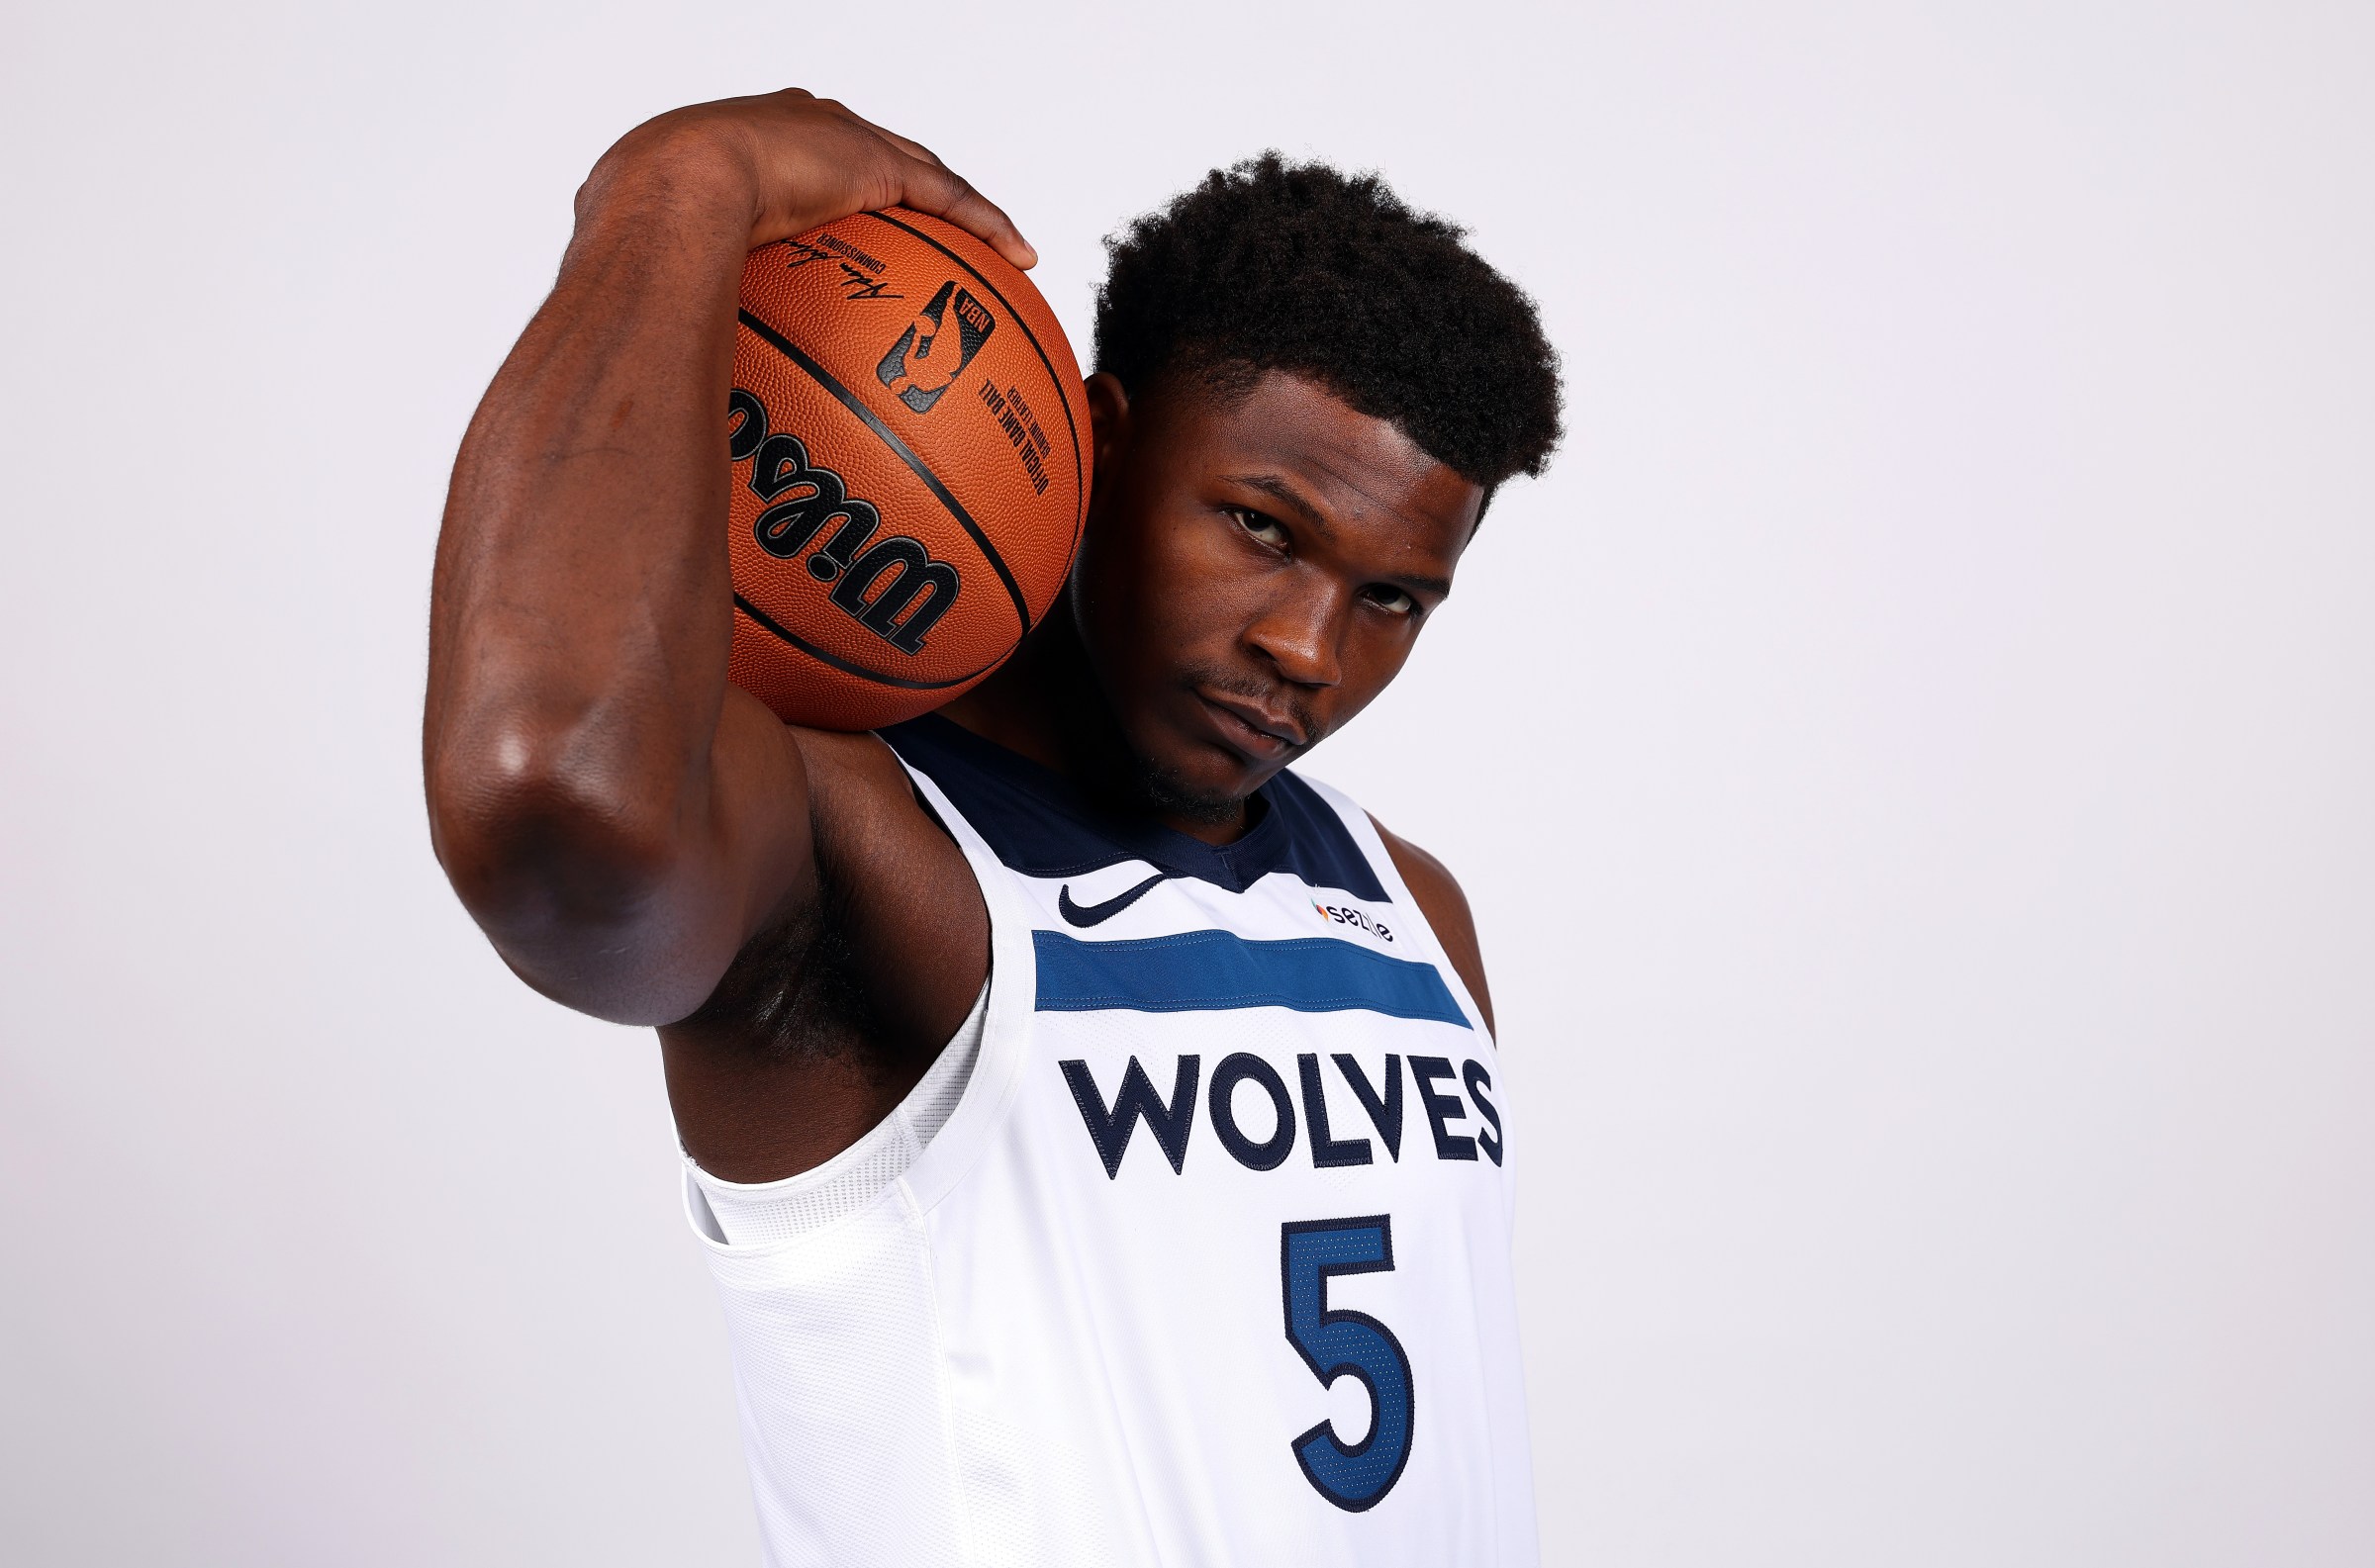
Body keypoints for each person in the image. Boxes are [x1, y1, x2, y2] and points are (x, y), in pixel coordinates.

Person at [425, 87, 1562, 1566]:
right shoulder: (860, 848)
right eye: (1263, 528)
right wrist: (678, 184)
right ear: (1099, 446)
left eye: (1394, 598)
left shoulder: (1410, 912)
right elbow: (550, 805)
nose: (1308, 647)